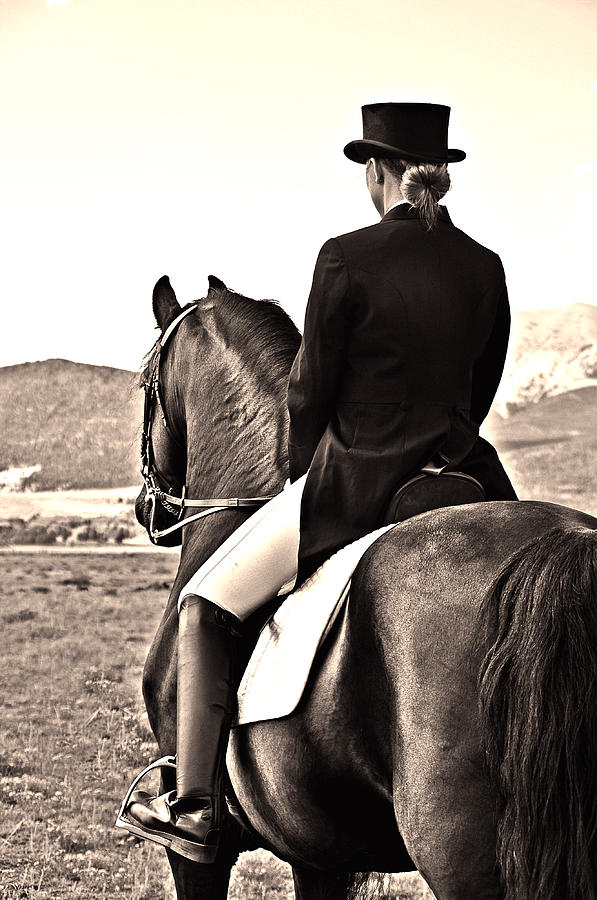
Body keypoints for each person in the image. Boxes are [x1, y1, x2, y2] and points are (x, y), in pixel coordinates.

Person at [116, 102, 517, 863]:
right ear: (436, 174)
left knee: (203, 608)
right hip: (466, 478)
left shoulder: (345, 256)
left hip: (356, 483)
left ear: (377, 172)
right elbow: (480, 384)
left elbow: (308, 392)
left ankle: (195, 804)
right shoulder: (483, 267)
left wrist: (304, 475)